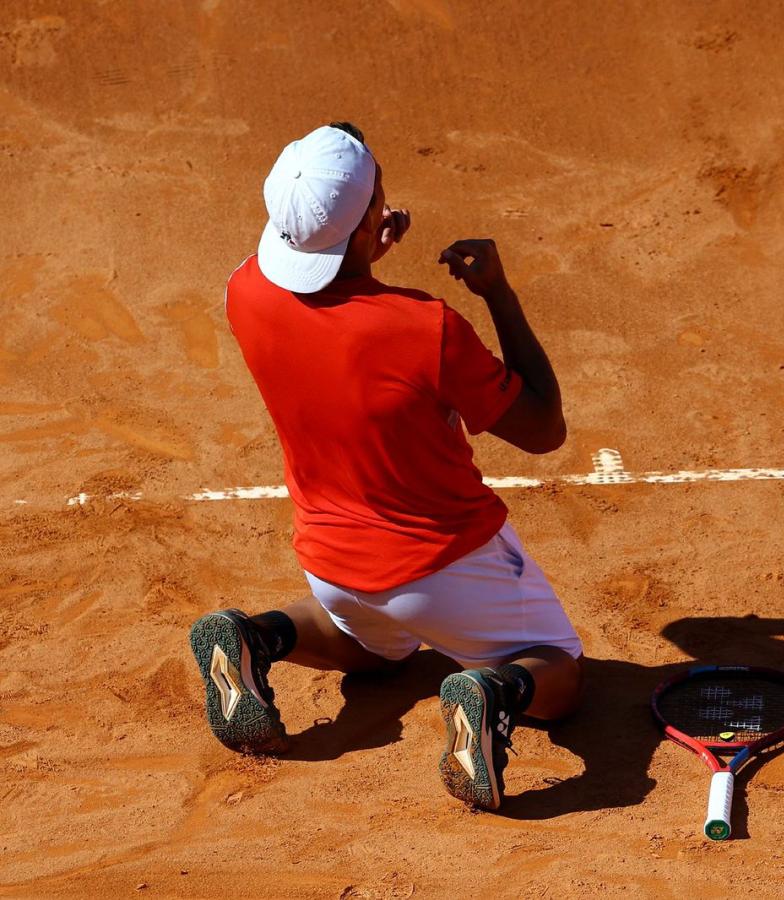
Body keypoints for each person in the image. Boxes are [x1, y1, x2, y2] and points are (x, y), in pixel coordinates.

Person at [188, 122, 582, 811]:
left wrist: (360, 248)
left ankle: (257, 636)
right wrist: (498, 295)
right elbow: (544, 429)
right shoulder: (424, 326)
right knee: (560, 673)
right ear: (367, 223)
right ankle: (494, 691)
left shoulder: (244, 291)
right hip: (447, 568)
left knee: (379, 653)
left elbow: (336, 318)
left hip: (332, 565)